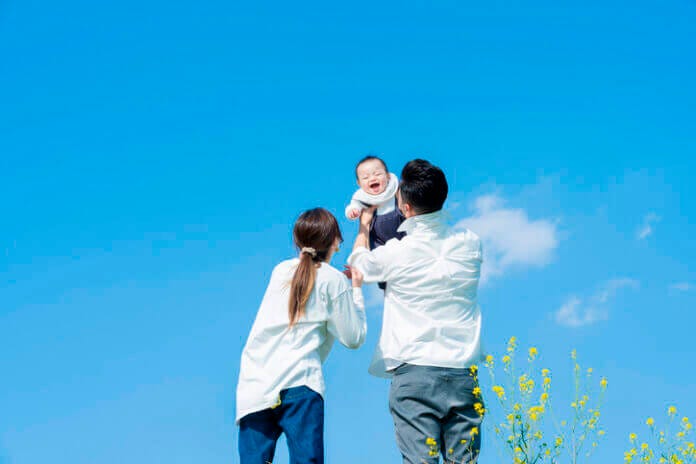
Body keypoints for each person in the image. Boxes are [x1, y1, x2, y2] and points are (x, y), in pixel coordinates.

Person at [348, 159, 485, 464]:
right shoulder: (471, 244)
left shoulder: (398, 252)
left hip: (415, 370)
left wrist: (364, 227)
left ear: (405, 210)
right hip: (463, 371)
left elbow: (359, 264)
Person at [236, 208, 367, 464]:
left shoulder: (281, 271)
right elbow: (353, 338)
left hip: (255, 385)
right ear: (336, 242)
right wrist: (356, 292)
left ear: (298, 241)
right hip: (300, 382)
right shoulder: (334, 281)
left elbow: (310, 286)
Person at [345, 155, 406, 289]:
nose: (372, 178)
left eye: (377, 174)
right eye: (365, 178)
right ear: (359, 184)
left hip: (401, 231)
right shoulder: (362, 198)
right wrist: (353, 212)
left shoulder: (395, 189)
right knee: (376, 255)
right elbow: (353, 205)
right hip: (379, 238)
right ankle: (385, 281)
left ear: (388, 176)